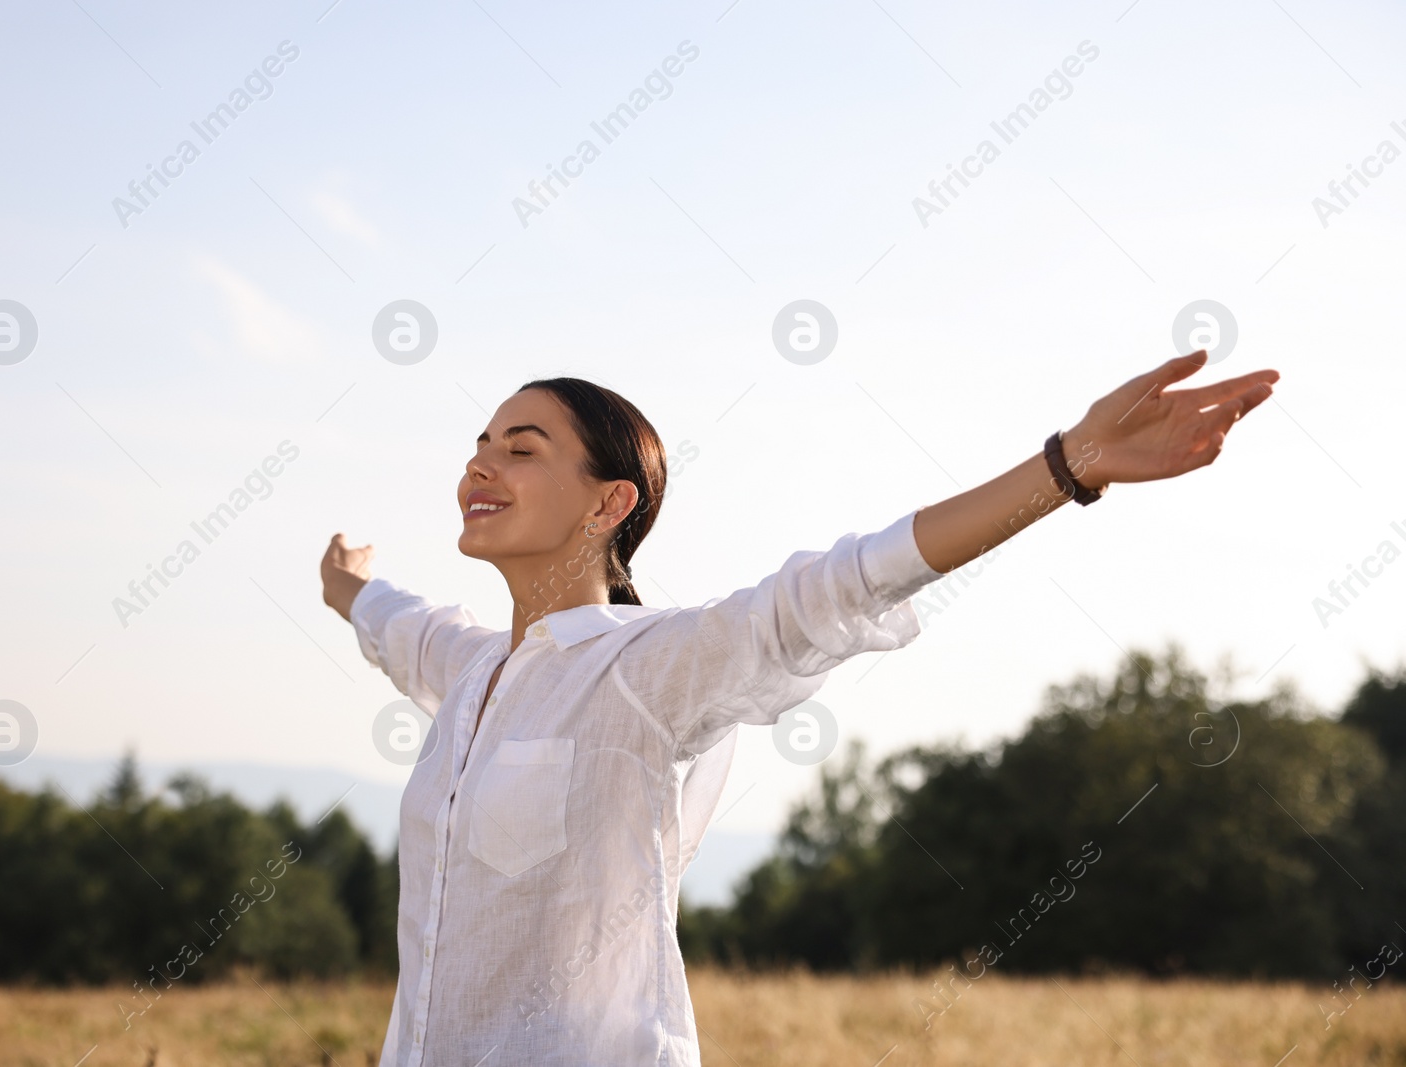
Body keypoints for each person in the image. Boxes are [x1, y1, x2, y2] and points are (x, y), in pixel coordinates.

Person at [318, 351, 1277, 1066]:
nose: (480, 464)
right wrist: (350, 584)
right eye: (478, 445)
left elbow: (841, 585)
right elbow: (396, 621)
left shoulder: (647, 667)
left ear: (609, 503)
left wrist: (1067, 466)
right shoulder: (474, 670)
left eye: (519, 449)